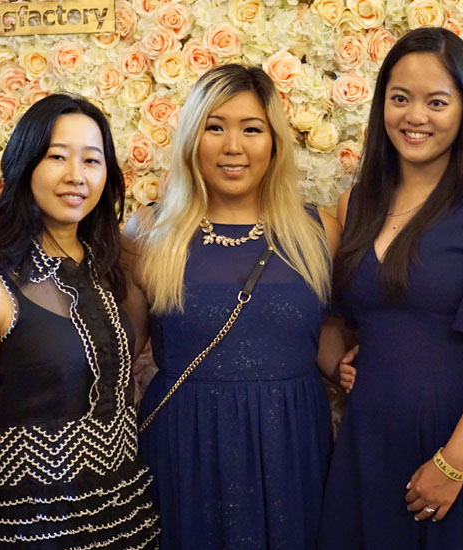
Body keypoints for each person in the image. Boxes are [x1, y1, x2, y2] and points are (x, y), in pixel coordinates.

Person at [317, 27, 463, 549]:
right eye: (400, 99)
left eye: (436, 102)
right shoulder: (355, 205)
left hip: (455, 445)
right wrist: (337, 365)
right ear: (381, 105)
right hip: (366, 440)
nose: (415, 116)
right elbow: (334, 318)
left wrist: (453, 463)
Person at [123, 64, 342, 550]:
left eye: (251, 129)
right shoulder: (149, 232)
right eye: (214, 127)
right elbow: (120, 350)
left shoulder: (317, 230)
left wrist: (353, 368)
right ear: (191, 138)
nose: (232, 146)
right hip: (186, 440)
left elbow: (321, 331)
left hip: (291, 438)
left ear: (275, 142)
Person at [0, 94, 160, 549]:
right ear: (25, 166)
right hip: (33, 526)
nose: (75, 176)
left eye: (92, 160)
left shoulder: (114, 267)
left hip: (125, 517)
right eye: (57, 157)